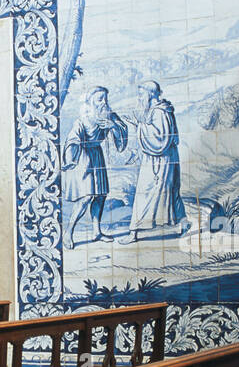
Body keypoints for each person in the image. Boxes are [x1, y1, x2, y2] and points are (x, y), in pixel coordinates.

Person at [120, 81, 188, 244]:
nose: (139, 98)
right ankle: (183, 225)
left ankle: (133, 233)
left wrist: (138, 126)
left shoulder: (159, 112)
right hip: (164, 158)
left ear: (150, 94)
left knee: (145, 193)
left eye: (141, 94)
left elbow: (160, 139)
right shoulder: (163, 109)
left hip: (158, 161)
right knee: (171, 192)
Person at [61, 85, 128, 249]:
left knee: (100, 196)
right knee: (85, 197)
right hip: (84, 158)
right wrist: (72, 153)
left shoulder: (110, 116)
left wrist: (113, 126)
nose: (104, 102)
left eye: (105, 98)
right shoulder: (83, 119)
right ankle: (68, 232)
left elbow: (122, 132)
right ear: (90, 102)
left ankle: (96, 231)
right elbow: (72, 139)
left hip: (98, 156)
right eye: (99, 99)